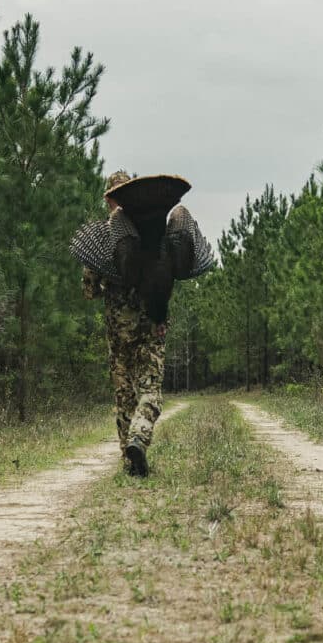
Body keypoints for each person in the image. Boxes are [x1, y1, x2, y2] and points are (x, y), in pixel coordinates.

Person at [74, 170, 212, 476]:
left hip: (118, 330)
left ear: (110, 198)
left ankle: (129, 460)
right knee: (151, 389)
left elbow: (88, 292)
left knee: (124, 395)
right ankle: (140, 435)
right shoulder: (155, 232)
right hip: (152, 325)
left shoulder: (106, 236)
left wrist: (107, 285)